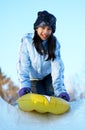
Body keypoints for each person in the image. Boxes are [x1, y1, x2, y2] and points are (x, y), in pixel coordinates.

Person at [17, 10, 70, 101]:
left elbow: (57, 68)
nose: (45, 32)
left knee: (53, 96)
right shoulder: (27, 41)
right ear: (36, 27)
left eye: (49, 29)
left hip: (48, 76)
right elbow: (23, 64)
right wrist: (25, 86)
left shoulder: (54, 43)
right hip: (33, 78)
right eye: (43, 27)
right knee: (41, 99)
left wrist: (60, 91)